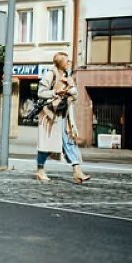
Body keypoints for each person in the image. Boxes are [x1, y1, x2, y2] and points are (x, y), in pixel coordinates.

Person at [34, 52, 91, 184]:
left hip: (64, 115)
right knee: (46, 145)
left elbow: (74, 95)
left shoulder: (67, 76)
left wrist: (71, 91)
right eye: (67, 61)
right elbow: (40, 93)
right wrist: (55, 92)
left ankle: (77, 171)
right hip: (50, 116)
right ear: (60, 62)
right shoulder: (50, 74)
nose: (69, 63)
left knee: (69, 141)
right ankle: (40, 170)